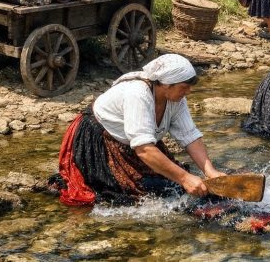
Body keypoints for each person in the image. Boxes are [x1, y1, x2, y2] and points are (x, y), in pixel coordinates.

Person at [52, 54, 225, 206]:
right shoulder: (138, 94)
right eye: (184, 87)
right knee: (135, 194)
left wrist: (210, 171)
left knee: (172, 187)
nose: (189, 91)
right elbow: (143, 150)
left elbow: (190, 136)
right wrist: (185, 178)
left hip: (138, 144)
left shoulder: (176, 99)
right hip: (100, 140)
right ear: (165, 85)